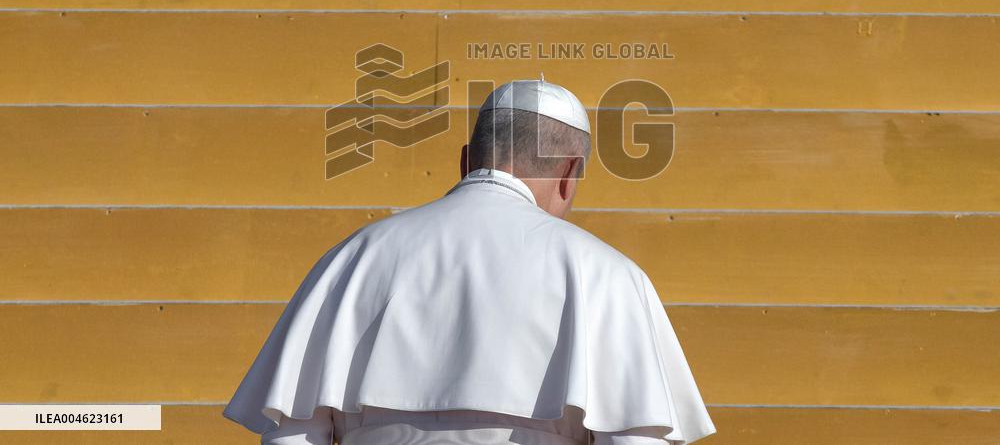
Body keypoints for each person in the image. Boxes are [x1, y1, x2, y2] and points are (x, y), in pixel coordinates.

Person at [223, 79, 716, 444]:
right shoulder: (606, 275)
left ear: (467, 160)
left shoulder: (357, 256)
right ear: (569, 174)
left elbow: (291, 432)